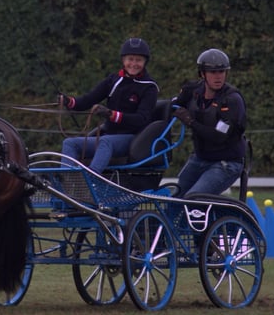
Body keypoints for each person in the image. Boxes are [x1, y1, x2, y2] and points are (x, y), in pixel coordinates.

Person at [59, 38, 159, 174]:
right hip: (108, 135)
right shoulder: (113, 80)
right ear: (123, 60)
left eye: (138, 60)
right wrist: (69, 102)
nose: (134, 64)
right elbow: (89, 99)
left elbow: (142, 119)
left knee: (105, 142)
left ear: (145, 62)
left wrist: (112, 115)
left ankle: (91, 182)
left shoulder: (149, 87)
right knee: (69, 143)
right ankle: (66, 185)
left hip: (132, 138)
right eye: (130, 59)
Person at [171, 48, 247, 197]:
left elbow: (219, 136)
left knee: (193, 198)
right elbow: (171, 106)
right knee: (175, 199)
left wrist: (190, 121)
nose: (218, 77)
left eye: (221, 72)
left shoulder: (232, 100)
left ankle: (212, 219)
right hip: (200, 158)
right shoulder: (192, 90)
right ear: (202, 74)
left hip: (226, 163)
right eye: (213, 72)